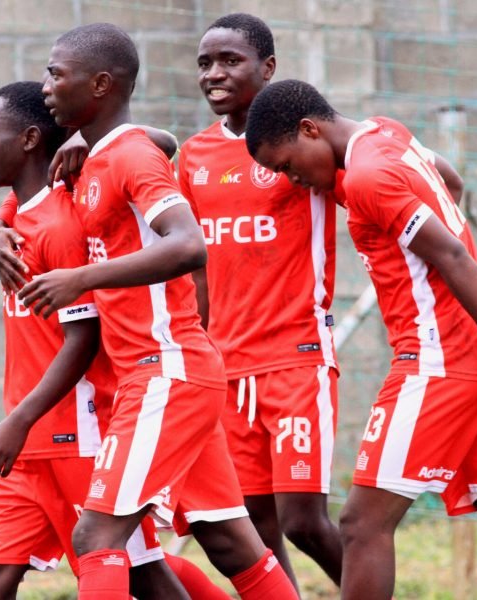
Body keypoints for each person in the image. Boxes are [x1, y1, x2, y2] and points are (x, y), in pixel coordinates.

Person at [0, 81, 222, 600]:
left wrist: (19, 421)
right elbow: (14, 227)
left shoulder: (65, 219)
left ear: (30, 139)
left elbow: (83, 338)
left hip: (75, 431)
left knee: (139, 569)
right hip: (26, 440)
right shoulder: (16, 215)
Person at [244, 79, 477, 600]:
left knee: (360, 525)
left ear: (310, 129)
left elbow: (452, 256)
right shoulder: (386, 133)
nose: (294, 180)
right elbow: (449, 178)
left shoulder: (367, 178)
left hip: (437, 361)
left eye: (288, 164)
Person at [17, 23, 297, 599]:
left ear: (98, 84)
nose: (46, 85)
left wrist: (81, 279)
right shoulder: (98, 158)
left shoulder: (129, 158)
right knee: (229, 542)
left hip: (166, 370)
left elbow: (188, 244)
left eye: (55, 73)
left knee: (96, 537)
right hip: (163, 374)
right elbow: (160, 140)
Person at [176, 13, 346, 588]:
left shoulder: (306, 142)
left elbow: (404, 171)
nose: (215, 74)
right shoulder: (194, 158)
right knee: (254, 526)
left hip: (295, 361)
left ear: (267, 68)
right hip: (226, 369)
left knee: (303, 521)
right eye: (205, 63)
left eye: (230, 61)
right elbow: (192, 265)